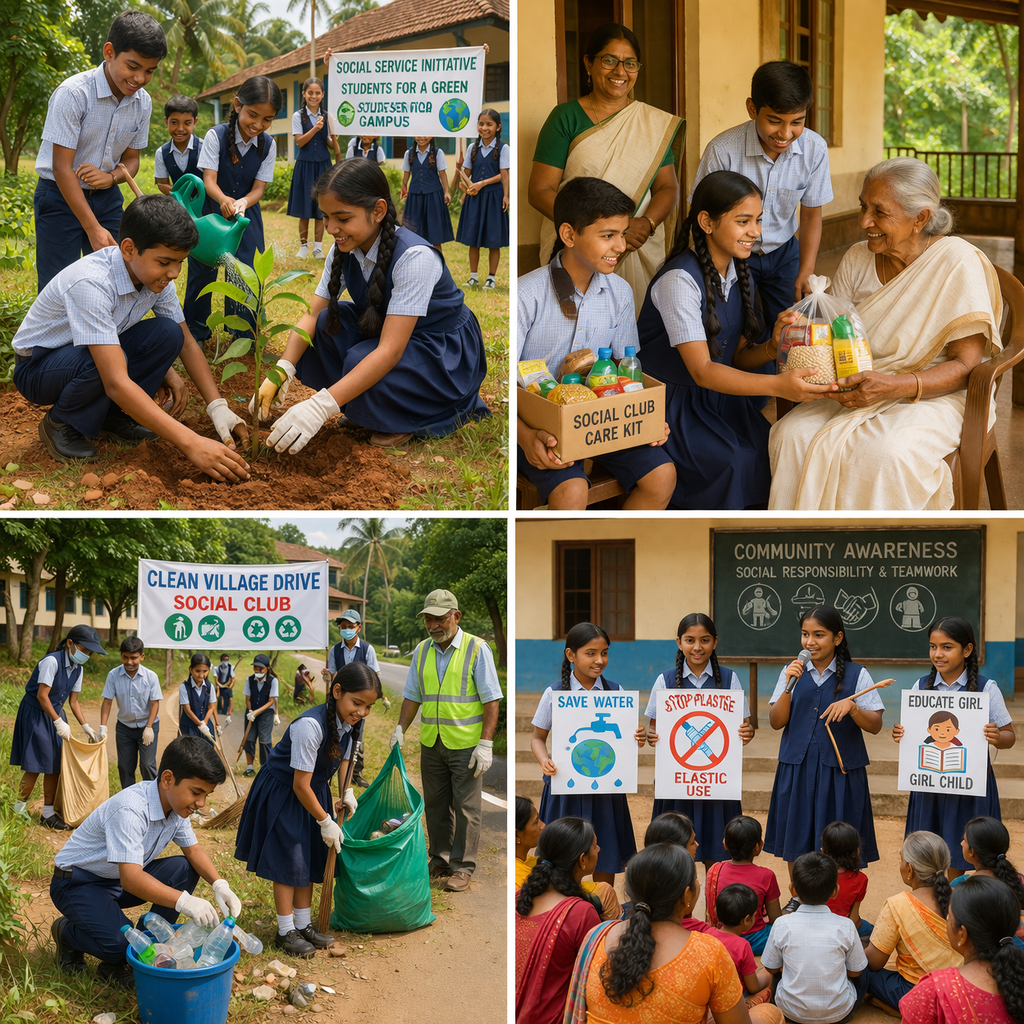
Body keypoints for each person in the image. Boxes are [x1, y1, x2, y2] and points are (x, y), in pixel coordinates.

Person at [769, 157, 1003, 510]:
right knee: (790, 435)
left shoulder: (956, 261)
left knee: (883, 456)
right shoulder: (857, 258)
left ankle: (879, 557)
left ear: (920, 218)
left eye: (879, 212)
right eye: (864, 207)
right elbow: (836, 338)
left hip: (935, 393)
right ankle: (808, 551)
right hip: (858, 385)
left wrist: (895, 386)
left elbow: (966, 366)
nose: (865, 222)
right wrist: (798, 337)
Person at [252, 159, 490, 452]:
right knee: (327, 325)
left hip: (441, 347)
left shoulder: (415, 258)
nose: (331, 228)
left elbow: (389, 352)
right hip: (391, 328)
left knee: (360, 358)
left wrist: (320, 406)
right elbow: (312, 314)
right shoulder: (344, 248)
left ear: (377, 211)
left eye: (342, 218)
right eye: (326, 217)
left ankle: (407, 417)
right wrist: (281, 370)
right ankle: (367, 408)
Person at [12, 194, 250, 479]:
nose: (173, 273)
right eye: (165, 262)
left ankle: (110, 417)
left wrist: (217, 406)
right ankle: (62, 423)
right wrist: (191, 442)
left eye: (180, 262)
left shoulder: (154, 278)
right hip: (39, 367)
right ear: (128, 249)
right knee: (111, 364)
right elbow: (114, 379)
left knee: (168, 333)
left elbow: (186, 341)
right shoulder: (92, 283)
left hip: (87, 353)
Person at [635, 170, 835, 510]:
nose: (755, 232)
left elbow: (737, 358)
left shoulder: (736, 273)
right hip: (672, 406)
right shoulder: (679, 281)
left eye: (758, 220)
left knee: (771, 452)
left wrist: (772, 347)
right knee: (735, 462)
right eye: (743, 221)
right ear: (707, 222)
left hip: (721, 399)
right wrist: (777, 385)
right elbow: (702, 371)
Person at [516, 176, 675, 510]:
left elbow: (624, 367)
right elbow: (502, 384)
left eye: (622, 233)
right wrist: (525, 436)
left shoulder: (619, 292)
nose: (621, 245)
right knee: (571, 491)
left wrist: (644, 416)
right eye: (608, 236)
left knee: (663, 475)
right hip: (539, 426)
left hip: (601, 419)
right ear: (569, 235)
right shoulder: (525, 295)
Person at [49, 736, 242, 989]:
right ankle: (67, 933)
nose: (201, 804)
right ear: (167, 779)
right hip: (78, 884)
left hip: (116, 879)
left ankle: (143, 944)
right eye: (196, 792)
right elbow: (131, 878)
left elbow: (193, 851)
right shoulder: (131, 810)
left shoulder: (176, 807)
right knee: (123, 945)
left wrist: (219, 884)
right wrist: (184, 901)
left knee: (184, 869)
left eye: (206, 794)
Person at [529, 22, 683, 314]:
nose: (620, 72)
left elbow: (667, 186)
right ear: (589, 63)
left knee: (631, 333)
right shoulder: (565, 117)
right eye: (609, 60)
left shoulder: (651, 125)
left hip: (636, 245)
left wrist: (646, 223)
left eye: (630, 63)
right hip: (576, 245)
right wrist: (589, 230)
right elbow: (540, 191)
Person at [235, 662, 380, 957]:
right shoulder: (309, 726)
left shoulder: (352, 722)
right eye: (357, 703)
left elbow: (344, 760)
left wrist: (346, 791)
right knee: (290, 859)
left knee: (309, 856)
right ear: (337, 692)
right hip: (285, 791)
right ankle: (285, 930)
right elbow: (300, 784)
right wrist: (326, 820)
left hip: (313, 790)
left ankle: (303, 925)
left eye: (368, 706)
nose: (362, 712)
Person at [690, 61, 833, 334]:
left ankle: (780, 376)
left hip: (784, 254)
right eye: (774, 121)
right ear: (752, 109)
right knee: (733, 328)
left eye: (797, 122)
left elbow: (812, 213)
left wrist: (807, 269)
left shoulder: (815, 149)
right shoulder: (723, 150)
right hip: (730, 253)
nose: (785, 133)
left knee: (790, 329)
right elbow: (700, 217)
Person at [33, 11, 166, 290]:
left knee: (119, 277)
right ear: (109, 52)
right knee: (59, 284)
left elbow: (131, 161)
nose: (140, 78)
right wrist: (93, 229)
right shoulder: (73, 94)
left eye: (150, 70)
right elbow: (61, 167)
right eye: (133, 66)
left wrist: (111, 178)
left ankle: (108, 333)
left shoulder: (142, 103)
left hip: (107, 199)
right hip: (59, 195)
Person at [563, 842, 761, 1024]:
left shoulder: (597, 935)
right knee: (768, 1014)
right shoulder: (709, 952)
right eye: (695, 879)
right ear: (686, 896)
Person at [390, 589, 502, 893]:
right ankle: (439, 859)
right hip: (432, 741)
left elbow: (491, 701)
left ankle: (463, 867)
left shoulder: (477, 649)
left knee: (466, 807)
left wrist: (486, 743)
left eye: (439, 618)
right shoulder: (423, 650)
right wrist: (401, 728)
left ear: (456, 616)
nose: (433, 625)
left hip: (466, 743)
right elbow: (413, 695)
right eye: (428, 619)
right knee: (436, 805)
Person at [764, 605, 885, 870]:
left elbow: (875, 725)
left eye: (819, 635)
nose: (810, 642)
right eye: (805, 634)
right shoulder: (791, 671)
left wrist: (853, 708)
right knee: (796, 835)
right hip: (798, 767)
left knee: (839, 839)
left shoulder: (858, 674)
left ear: (837, 638)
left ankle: (838, 902)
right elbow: (776, 721)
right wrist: (788, 685)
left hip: (839, 773)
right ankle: (799, 896)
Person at [895, 617, 1015, 872]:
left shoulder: (987, 689)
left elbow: (1009, 735)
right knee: (928, 851)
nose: (937, 654)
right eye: (932, 646)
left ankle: (958, 904)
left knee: (963, 849)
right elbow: (914, 734)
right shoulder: (921, 687)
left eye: (947, 647)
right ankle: (935, 901)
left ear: (967, 650)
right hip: (929, 785)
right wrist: (902, 734)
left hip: (969, 786)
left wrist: (997, 737)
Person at [530, 622, 642, 885]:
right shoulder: (554, 693)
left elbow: (626, 742)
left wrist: (635, 738)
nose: (599, 660)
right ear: (571, 655)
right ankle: (566, 910)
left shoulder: (617, 692)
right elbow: (537, 737)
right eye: (590, 653)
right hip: (566, 788)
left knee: (606, 852)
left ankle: (603, 913)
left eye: (604, 653)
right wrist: (544, 760)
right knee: (562, 856)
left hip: (606, 790)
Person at [643, 614, 755, 864]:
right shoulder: (665, 680)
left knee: (719, 854)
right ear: (679, 642)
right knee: (673, 856)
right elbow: (653, 729)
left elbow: (743, 726)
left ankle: (716, 902)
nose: (697, 647)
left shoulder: (729, 679)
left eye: (704, 640)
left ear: (715, 642)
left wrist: (746, 733)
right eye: (689, 640)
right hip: (677, 781)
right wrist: (653, 737)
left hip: (717, 782)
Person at [186, 75, 282, 342]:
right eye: (253, 115)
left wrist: (242, 202)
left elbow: (259, 189)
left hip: (245, 216)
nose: (258, 124)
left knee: (244, 272)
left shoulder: (269, 145)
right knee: (203, 271)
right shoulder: (215, 136)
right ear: (238, 105)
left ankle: (242, 334)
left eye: (267, 119)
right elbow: (209, 181)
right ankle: (195, 331)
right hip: (212, 213)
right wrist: (224, 200)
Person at [760, 852, 869, 1024]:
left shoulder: (781, 924)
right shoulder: (846, 925)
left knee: (774, 972)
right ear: (835, 891)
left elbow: (772, 968)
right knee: (863, 968)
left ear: (793, 889)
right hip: (839, 1015)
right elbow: (856, 972)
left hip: (791, 1014)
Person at [10, 624, 102, 829]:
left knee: (55, 765)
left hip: (55, 714)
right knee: (35, 765)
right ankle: (17, 810)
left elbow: (74, 702)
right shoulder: (52, 661)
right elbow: (42, 695)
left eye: (89, 652)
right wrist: (58, 721)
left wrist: (85, 725)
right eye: (84, 650)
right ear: (70, 643)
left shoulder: (78, 669)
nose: (86, 655)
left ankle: (48, 813)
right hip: (36, 712)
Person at [899, 875, 1024, 1024]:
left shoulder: (934, 990)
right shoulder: (1017, 979)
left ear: (962, 934)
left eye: (949, 916)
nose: (946, 920)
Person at [515, 816, 602, 1024]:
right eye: (595, 846)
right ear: (582, 860)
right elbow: (594, 982)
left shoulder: (518, 897)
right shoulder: (580, 913)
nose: (598, 850)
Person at [864, 831, 962, 1013]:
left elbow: (874, 963)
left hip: (917, 992)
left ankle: (900, 1007)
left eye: (901, 860)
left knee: (862, 973)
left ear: (910, 869)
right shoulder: (961, 897)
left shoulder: (898, 905)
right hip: (959, 990)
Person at [516, 796, 621, 921]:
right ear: (581, 859)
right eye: (536, 821)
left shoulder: (532, 863)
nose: (543, 825)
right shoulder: (520, 877)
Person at [703, 816, 782, 955]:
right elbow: (775, 918)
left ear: (725, 844)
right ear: (758, 846)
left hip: (724, 938)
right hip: (757, 941)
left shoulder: (715, 870)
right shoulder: (767, 875)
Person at [323, 609, 380, 788]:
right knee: (334, 734)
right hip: (339, 701)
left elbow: (374, 676)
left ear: (359, 628)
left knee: (357, 738)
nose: (346, 629)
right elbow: (333, 674)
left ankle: (355, 773)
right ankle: (329, 771)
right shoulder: (335, 650)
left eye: (350, 626)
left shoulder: (366, 649)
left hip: (358, 702)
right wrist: (329, 677)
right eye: (343, 626)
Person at [455, 109, 509, 290]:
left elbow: (503, 175)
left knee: (493, 240)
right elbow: (467, 174)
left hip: (494, 197)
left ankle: (491, 278)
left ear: (498, 127)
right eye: (481, 124)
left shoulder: (503, 148)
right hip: (475, 199)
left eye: (489, 124)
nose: (484, 128)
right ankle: (473, 277)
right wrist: (461, 171)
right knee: (473, 238)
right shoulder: (472, 148)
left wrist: (505, 195)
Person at [951, 817, 1024, 950]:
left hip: (982, 955)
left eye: (965, 840)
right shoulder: (1019, 880)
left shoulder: (960, 886)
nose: (962, 843)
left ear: (972, 851)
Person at [100, 636, 162, 792]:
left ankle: (153, 797)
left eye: (134, 658)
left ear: (142, 656)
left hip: (147, 726)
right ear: (121, 655)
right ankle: (129, 799)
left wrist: (149, 727)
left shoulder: (151, 677)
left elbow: (155, 703)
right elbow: (107, 701)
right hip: (124, 728)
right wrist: (102, 726)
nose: (129, 662)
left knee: (147, 765)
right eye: (125, 657)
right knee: (125, 766)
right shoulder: (113, 675)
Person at [288, 77, 337, 259]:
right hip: (305, 165)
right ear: (304, 94)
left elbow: (330, 144)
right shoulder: (297, 116)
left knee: (320, 209)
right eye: (310, 93)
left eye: (318, 93)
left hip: (323, 165)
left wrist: (334, 137)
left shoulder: (327, 116)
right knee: (304, 209)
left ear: (322, 95)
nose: (314, 96)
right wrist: (316, 128)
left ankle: (318, 247)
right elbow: (299, 142)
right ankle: (303, 247)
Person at [821, 820, 873, 938]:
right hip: (844, 926)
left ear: (823, 850)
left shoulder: (816, 873)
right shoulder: (861, 879)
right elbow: (853, 918)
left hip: (817, 925)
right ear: (856, 852)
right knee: (873, 931)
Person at [401, 136, 455, 247]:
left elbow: (442, 173)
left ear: (431, 136)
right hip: (415, 197)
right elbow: (407, 172)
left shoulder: (438, 152)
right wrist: (404, 186)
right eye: (418, 134)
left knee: (435, 235)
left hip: (433, 196)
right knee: (414, 233)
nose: (422, 138)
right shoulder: (409, 153)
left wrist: (446, 192)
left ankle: (438, 263)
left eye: (425, 134)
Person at [154, 94, 200, 196]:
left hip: (206, 207)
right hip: (178, 207)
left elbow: (214, 181)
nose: (180, 128)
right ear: (166, 122)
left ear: (194, 122)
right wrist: (181, 197)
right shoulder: (161, 153)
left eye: (187, 123)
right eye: (174, 122)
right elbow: (162, 183)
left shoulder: (204, 148)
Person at [242, 653, 278, 775]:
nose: (257, 671)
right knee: (249, 738)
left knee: (264, 739)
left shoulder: (273, 681)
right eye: (255, 668)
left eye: (260, 668)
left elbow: (271, 701)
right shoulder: (249, 680)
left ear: (267, 668)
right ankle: (249, 767)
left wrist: (257, 712)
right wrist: (251, 710)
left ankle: (265, 768)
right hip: (251, 712)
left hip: (266, 713)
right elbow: (248, 698)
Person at [178, 654, 216, 745]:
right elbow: (187, 710)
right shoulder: (184, 687)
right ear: (191, 669)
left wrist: (205, 722)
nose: (201, 675)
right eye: (198, 671)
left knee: (208, 753)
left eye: (205, 671)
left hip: (206, 725)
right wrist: (199, 724)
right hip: (189, 727)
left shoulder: (210, 686)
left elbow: (211, 707)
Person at [214, 652, 235, 724]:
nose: (226, 662)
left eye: (227, 660)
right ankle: (219, 710)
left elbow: (233, 678)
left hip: (228, 685)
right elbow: (216, 678)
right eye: (224, 660)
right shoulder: (218, 668)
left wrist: (231, 685)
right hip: (220, 685)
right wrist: (219, 684)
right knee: (220, 697)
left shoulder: (230, 667)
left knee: (230, 698)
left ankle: (229, 712)